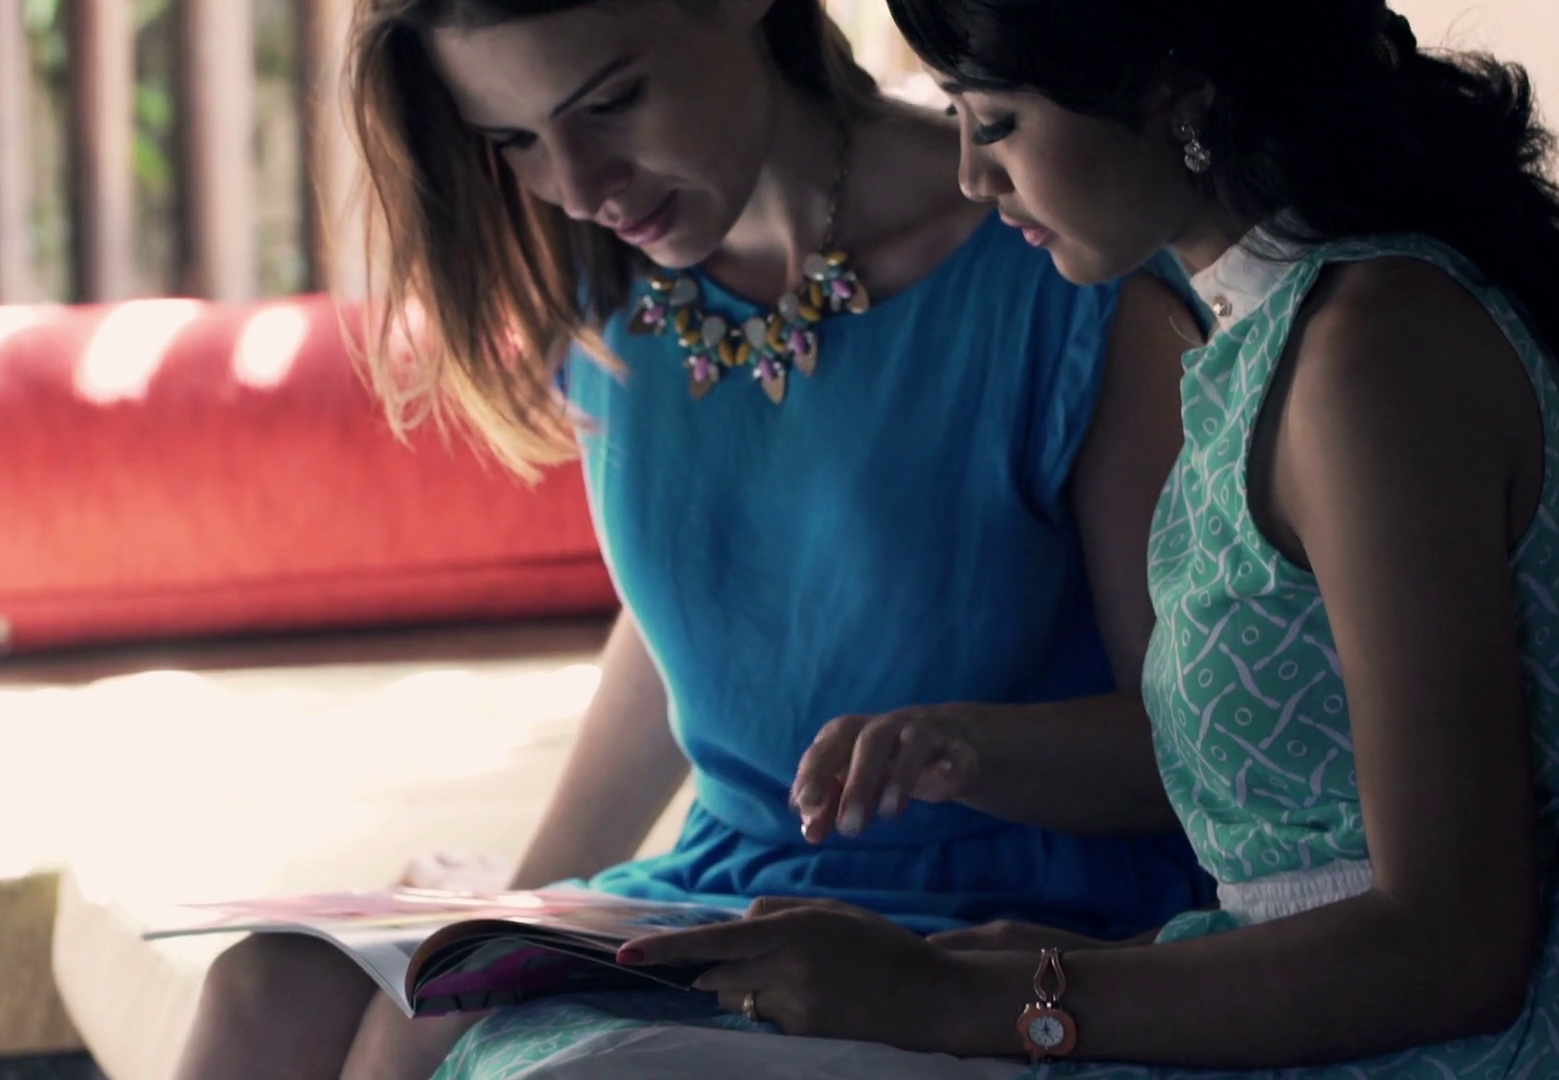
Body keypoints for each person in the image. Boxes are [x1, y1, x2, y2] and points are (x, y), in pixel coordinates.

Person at [599, 0, 1559, 1077]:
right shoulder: (1270, 332)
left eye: (997, 123)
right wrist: (989, 824)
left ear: (1178, 92)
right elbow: (1311, 858)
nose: (973, 176)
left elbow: (1453, 953)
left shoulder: (1372, 356)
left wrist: (965, 999)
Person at [171, 2, 1215, 1078]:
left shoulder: (1060, 252)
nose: (578, 185)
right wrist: (518, 904)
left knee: (447, 1042)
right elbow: (692, 636)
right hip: (720, 888)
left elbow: (1192, 755)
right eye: (515, 139)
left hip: (997, 913)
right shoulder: (615, 277)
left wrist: (963, 749)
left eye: (612, 103)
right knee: (267, 990)